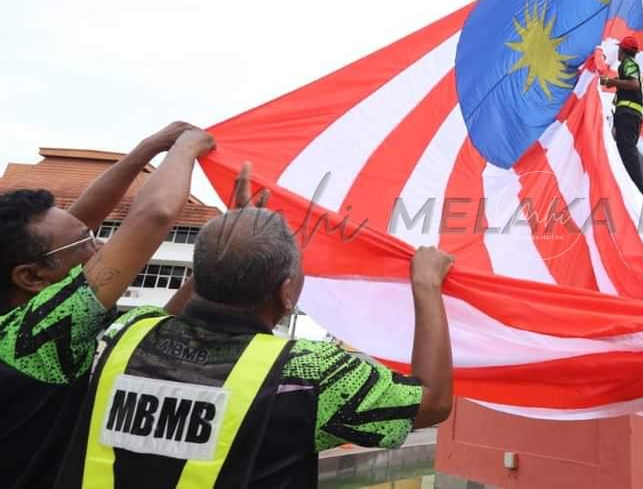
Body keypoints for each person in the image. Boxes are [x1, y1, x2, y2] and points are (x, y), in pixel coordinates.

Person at [56, 202, 455, 488]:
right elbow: (432, 402)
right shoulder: (312, 372)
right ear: (286, 292)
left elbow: (169, 318)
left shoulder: (123, 335)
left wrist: (226, 250)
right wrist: (426, 285)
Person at [0, 123, 215, 489]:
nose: (99, 247)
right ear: (31, 277)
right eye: (88, 242)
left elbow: (74, 229)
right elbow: (155, 215)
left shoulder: (20, 313)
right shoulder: (33, 339)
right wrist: (188, 146)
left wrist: (147, 149)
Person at [601, 35, 643, 205]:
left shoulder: (629, 64)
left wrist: (610, 81)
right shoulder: (631, 66)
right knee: (625, 149)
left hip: (628, 114)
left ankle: (640, 188)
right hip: (631, 115)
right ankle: (633, 185)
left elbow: (633, 84)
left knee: (627, 149)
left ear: (622, 51)